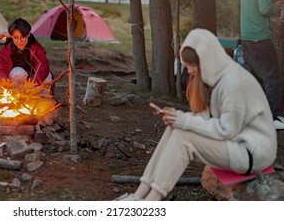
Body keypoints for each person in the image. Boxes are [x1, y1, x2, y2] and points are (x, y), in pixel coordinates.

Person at [116, 28, 277, 201]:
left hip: (253, 152)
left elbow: (226, 129)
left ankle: (151, 201)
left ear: (207, 59)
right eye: (187, 65)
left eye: (192, 65)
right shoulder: (216, 78)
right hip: (236, 142)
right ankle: (139, 195)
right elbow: (208, 120)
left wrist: (184, 120)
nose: (190, 70)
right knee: (174, 129)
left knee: (183, 138)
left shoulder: (233, 83)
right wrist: (177, 118)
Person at [240, 0, 284, 130]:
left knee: (253, 78)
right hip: (260, 38)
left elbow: (255, 7)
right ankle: (273, 117)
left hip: (247, 38)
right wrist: (277, 7)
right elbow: (265, 8)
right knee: (273, 78)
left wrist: (273, 4)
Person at [0, 18, 53, 89]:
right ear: (11, 36)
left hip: (34, 81)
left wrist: (32, 83)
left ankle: (44, 98)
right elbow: (1, 69)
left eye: (22, 37)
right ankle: (19, 96)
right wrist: (6, 83)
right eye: (15, 37)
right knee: (17, 71)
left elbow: (43, 67)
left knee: (48, 76)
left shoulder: (36, 48)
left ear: (28, 34)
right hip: (16, 83)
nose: (19, 41)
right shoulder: (7, 51)